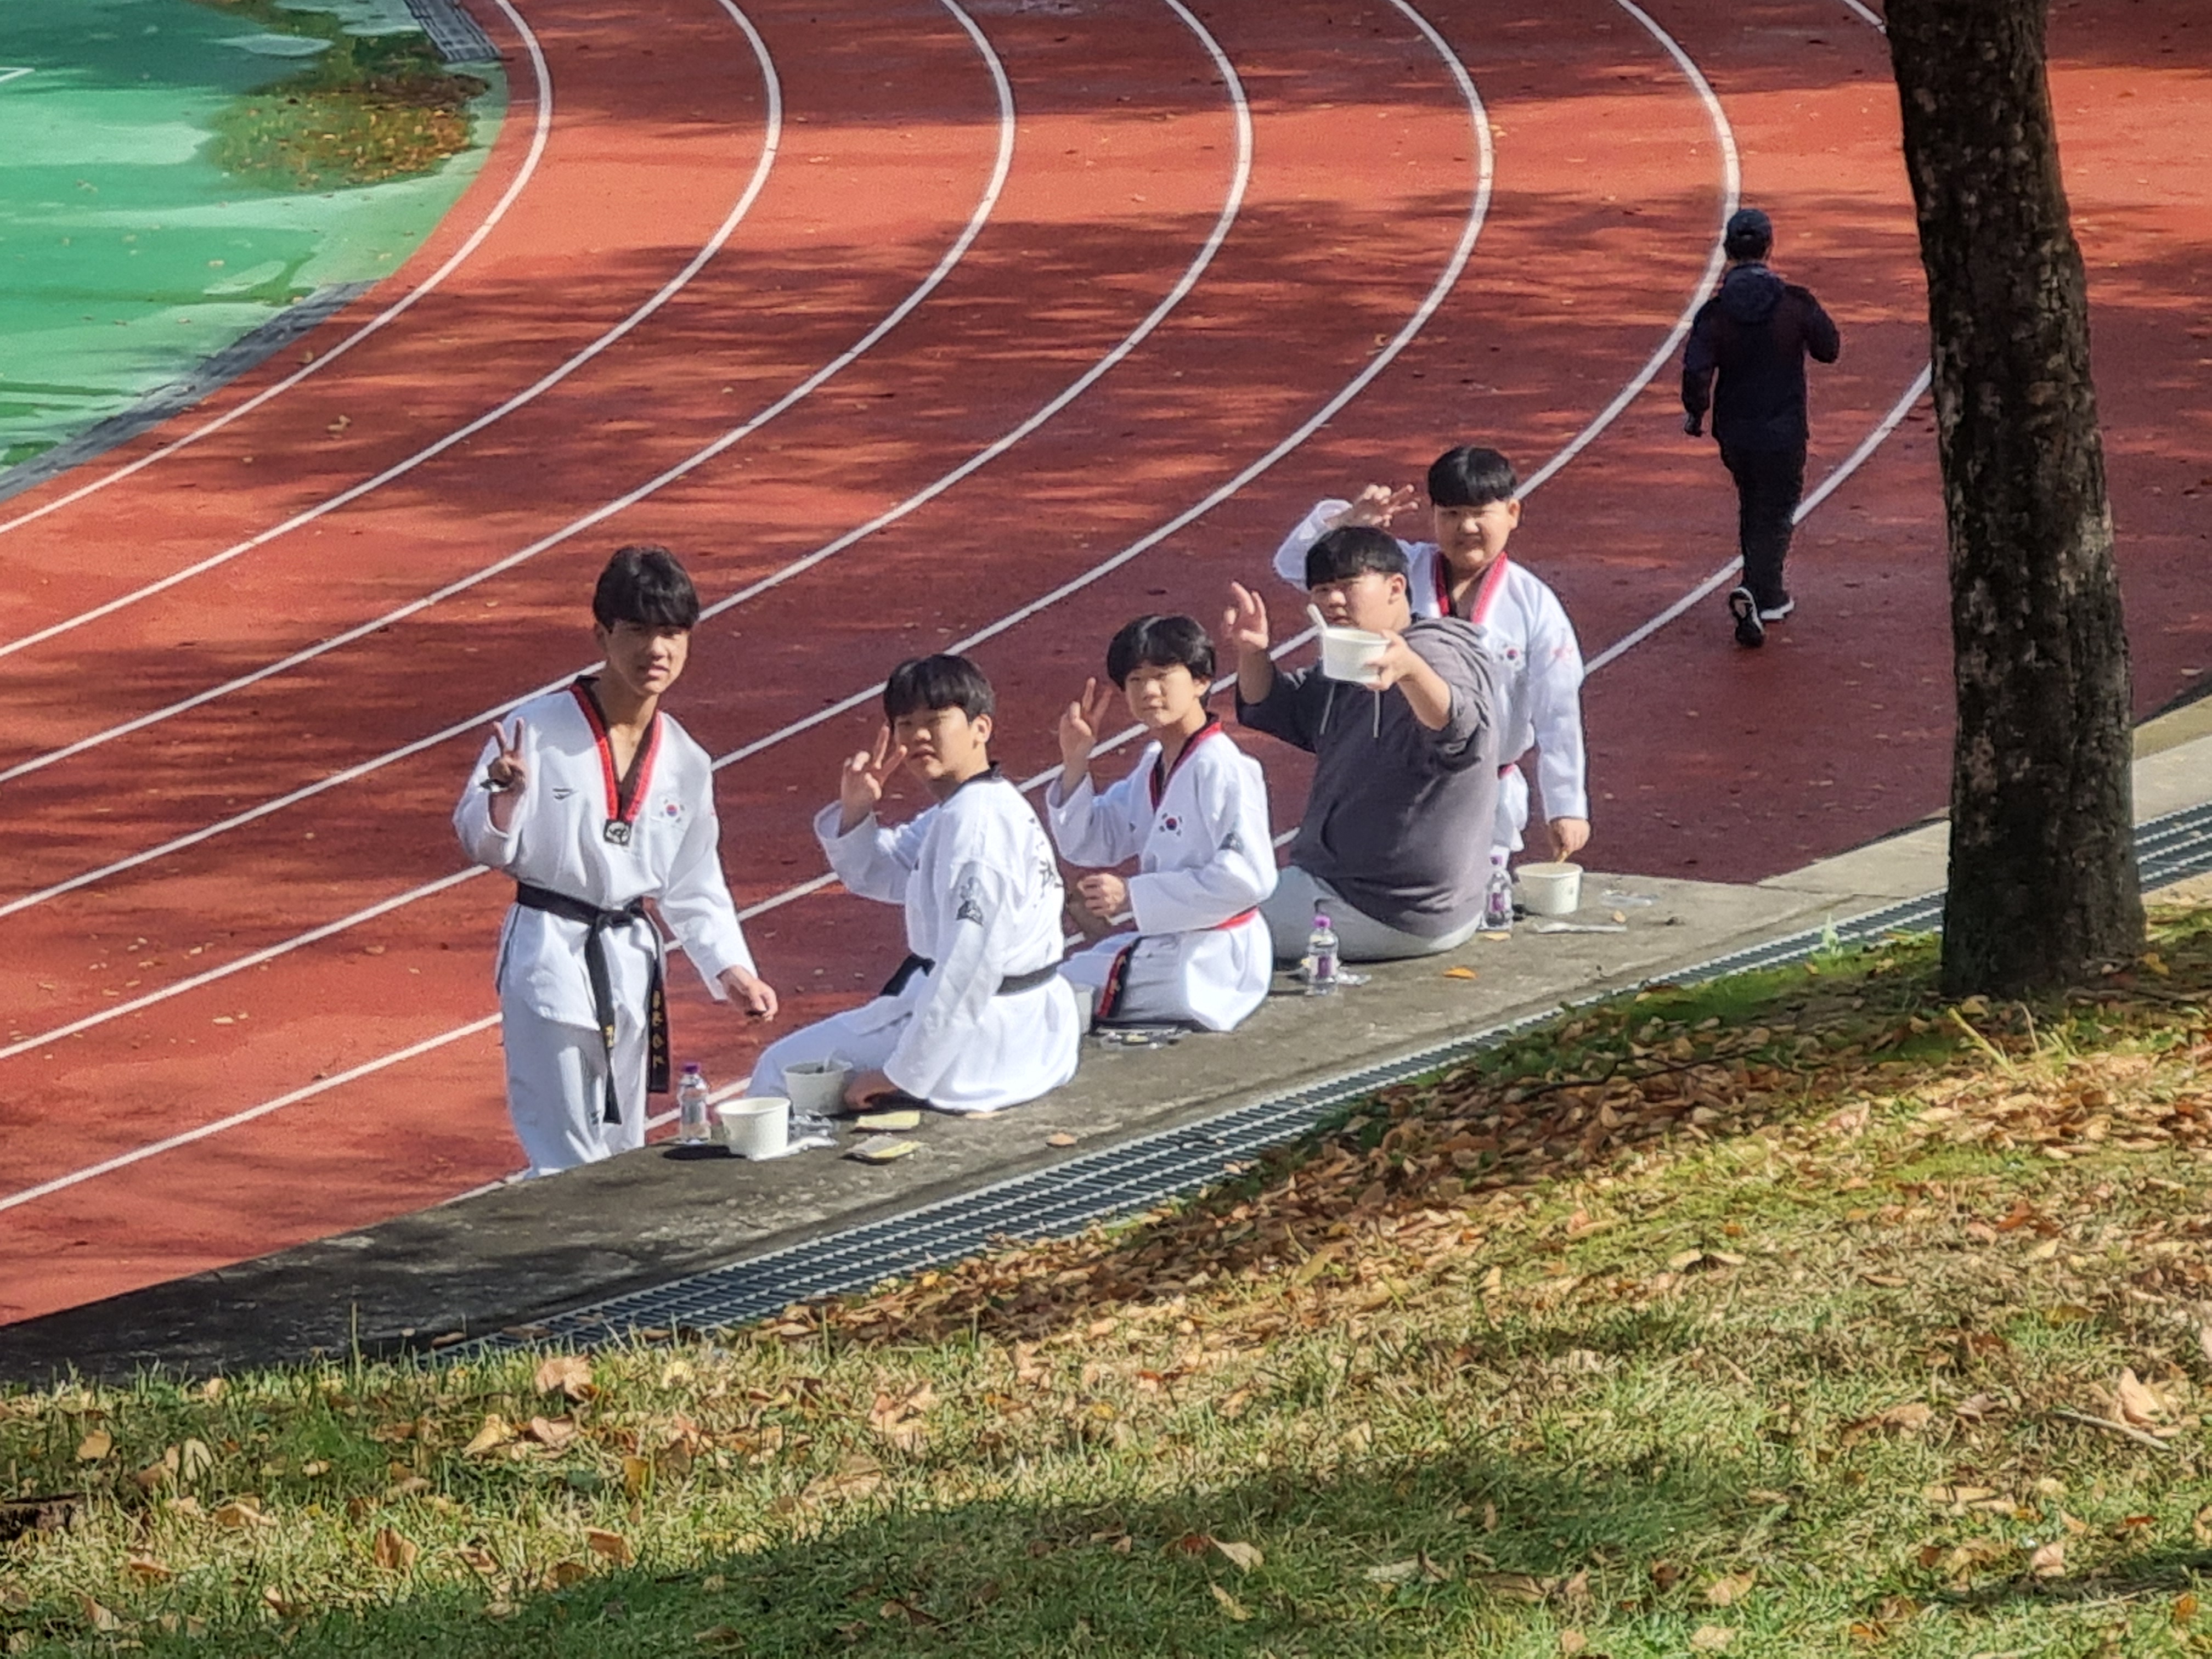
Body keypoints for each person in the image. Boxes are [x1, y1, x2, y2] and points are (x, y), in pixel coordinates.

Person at [454, 546, 779, 1177]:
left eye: (672, 633)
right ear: (603, 635)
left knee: (622, 1143)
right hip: (549, 946)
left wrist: (731, 968)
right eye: (637, 631)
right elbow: (482, 842)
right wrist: (504, 798)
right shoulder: (532, 731)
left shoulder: (686, 758)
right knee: (562, 1147)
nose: (656, 649)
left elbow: (693, 878)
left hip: (631, 959)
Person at [749, 654, 1081, 1115]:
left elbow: (968, 967)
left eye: (935, 720)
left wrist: (901, 1073)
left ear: (981, 728)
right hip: (1017, 1026)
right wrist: (856, 811)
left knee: (778, 1069)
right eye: (906, 724)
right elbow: (881, 872)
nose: (919, 736)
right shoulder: (971, 806)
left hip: (987, 1044)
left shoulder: (976, 826)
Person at [1272, 445, 1589, 864]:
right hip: (1391, 779)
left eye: (1480, 513)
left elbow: (1558, 709)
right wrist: (1347, 526)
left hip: (1482, 792)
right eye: (1451, 514)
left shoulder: (1534, 604)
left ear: (1512, 513)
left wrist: (1566, 805)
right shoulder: (1397, 570)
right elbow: (1295, 566)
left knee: (1475, 890)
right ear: (1434, 516)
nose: (1466, 527)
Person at [1232, 527, 1503, 962]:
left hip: (1385, 906)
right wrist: (1253, 653)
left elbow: (1462, 733)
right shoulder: (1353, 656)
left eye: (1348, 585)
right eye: (1322, 590)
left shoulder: (1435, 652)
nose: (1333, 600)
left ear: (1396, 587)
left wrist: (1411, 671)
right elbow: (1279, 708)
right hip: (1364, 893)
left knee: (1206, 925)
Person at [1047, 615, 1276, 1031]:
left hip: (1216, 958)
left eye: (1162, 676)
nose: (1148, 691)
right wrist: (1076, 762)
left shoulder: (1223, 766)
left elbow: (1249, 880)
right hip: (1176, 944)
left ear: (1201, 681)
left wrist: (1132, 896)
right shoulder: (1155, 764)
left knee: (1054, 995)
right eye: (1135, 680)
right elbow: (1090, 841)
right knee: (1056, 981)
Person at [1680, 205, 1841, 648]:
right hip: (1784, 428)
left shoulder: (1715, 314)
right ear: (1770, 248)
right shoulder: (1795, 304)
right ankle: (1760, 592)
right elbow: (1829, 349)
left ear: (1727, 250)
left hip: (1735, 431)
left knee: (1753, 502)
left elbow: (1696, 369)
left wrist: (1696, 412)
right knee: (1775, 509)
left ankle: (1761, 588)